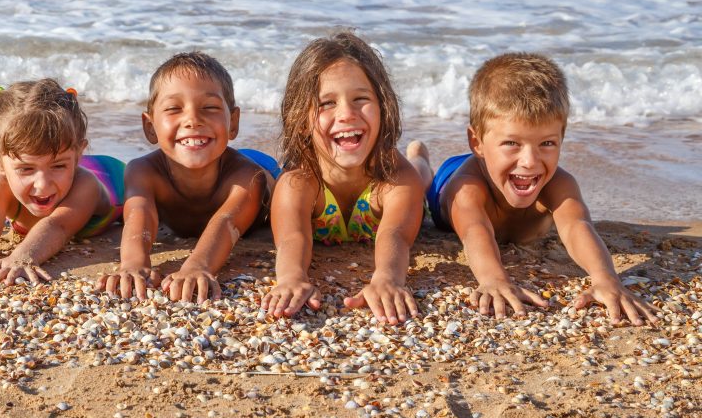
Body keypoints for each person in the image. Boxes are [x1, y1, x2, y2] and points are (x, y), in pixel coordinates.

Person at [426, 52, 658, 324]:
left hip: (495, 167)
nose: (530, 161)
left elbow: (576, 226)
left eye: (547, 143)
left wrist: (606, 279)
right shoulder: (467, 189)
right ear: (476, 142)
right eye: (512, 143)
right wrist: (495, 280)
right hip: (447, 179)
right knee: (420, 177)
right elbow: (474, 231)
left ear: (562, 137)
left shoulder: (558, 184)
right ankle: (421, 157)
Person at [261, 31, 431, 324]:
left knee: (420, 175)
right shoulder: (299, 182)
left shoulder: (396, 178)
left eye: (360, 99)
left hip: (404, 176)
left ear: (383, 107)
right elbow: (292, 236)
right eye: (327, 103)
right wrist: (291, 278)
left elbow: (396, 236)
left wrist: (387, 278)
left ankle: (420, 156)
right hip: (308, 173)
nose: (347, 114)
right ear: (301, 121)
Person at [99, 52, 276, 302]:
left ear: (233, 122)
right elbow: (141, 214)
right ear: (150, 127)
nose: (193, 120)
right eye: (174, 108)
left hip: (258, 164)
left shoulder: (248, 177)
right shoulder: (143, 171)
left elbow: (227, 221)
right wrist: (133, 263)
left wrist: (198, 266)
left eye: (210, 108)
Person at [0, 80, 124, 285]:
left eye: (58, 166)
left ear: (78, 155)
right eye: (26, 169)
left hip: (113, 176)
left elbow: (58, 225)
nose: (42, 184)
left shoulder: (85, 185)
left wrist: (22, 257)